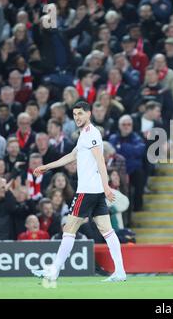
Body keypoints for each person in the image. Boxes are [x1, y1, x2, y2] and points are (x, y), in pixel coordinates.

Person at [31, 100, 126, 284]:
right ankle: (120, 271)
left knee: (69, 229)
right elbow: (72, 156)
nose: (77, 118)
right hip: (95, 190)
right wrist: (46, 167)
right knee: (107, 231)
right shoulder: (84, 134)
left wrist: (107, 188)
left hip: (88, 190)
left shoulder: (91, 133)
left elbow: (100, 160)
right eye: (74, 115)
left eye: (80, 114)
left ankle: (53, 271)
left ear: (88, 114)